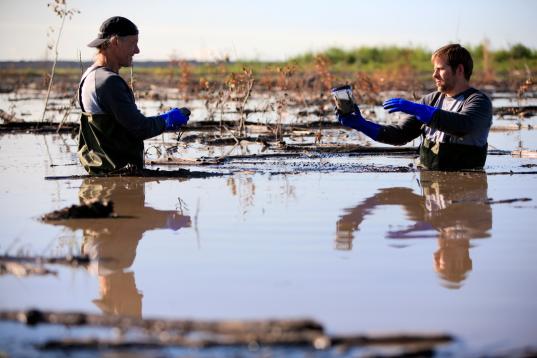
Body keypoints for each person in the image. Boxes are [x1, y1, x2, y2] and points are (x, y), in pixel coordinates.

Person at [337, 44, 493, 170]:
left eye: (440, 69)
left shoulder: (479, 102)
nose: (434, 75)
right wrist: (362, 124)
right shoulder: (431, 100)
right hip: (429, 191)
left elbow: (462, 126)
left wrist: (421, 110)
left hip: (465, 193)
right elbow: (400, 135)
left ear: (459, 70)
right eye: (434, 70)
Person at [335, 171, 492, 288]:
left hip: (438, 185)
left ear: (437, 257)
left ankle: (358, 214)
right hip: (460, 176)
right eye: (457, 263)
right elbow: (459, 227)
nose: (452, 258)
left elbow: (448, 226)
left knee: (400, 199)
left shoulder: (433, 226)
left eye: (449, 263)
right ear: (466, 258)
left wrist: (361, 212)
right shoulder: (480, 229)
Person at [78, 16, 190, 174]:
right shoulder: (109, 82)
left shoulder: (89, 76)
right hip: (119, 180)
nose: (137, 50)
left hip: (100, 179)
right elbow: (140, 128)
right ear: (116, 42)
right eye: (133, 44)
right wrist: (167, 119)